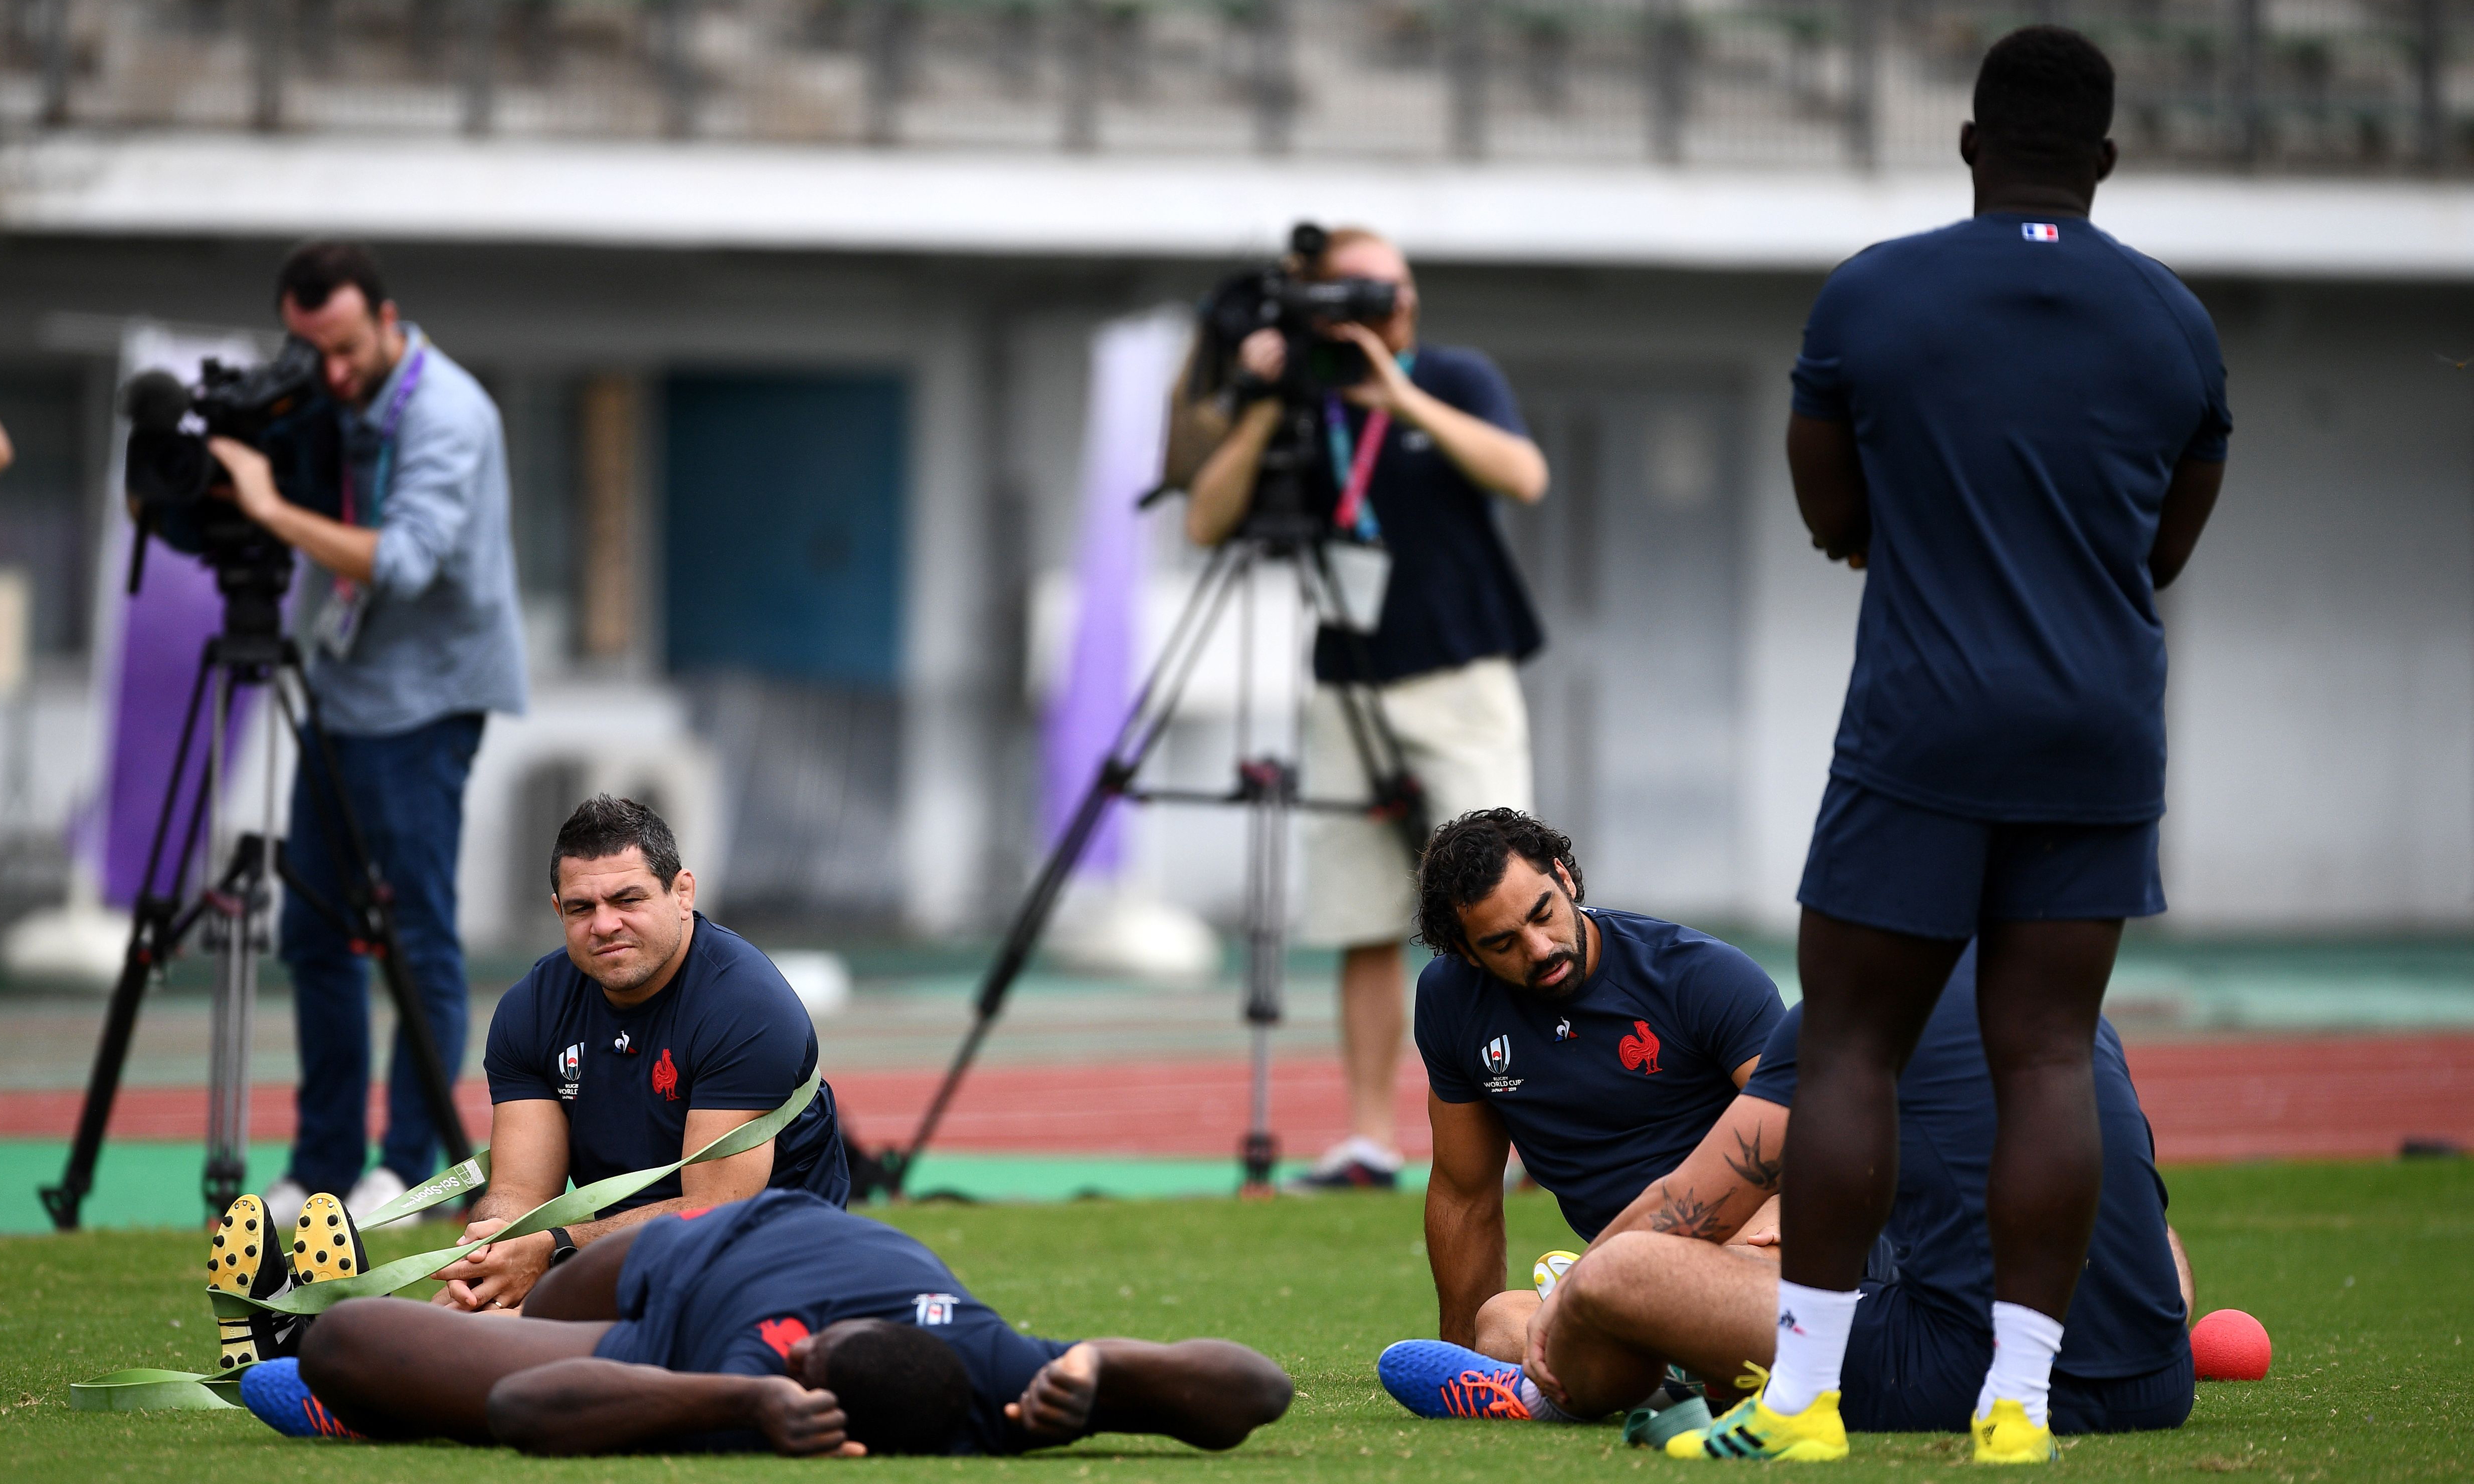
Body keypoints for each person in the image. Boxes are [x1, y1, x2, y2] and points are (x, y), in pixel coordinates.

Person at [1755, 26, 2230, 1464]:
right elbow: (2163, 543)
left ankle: (1799, 1407)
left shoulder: (1874, 292)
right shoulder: (2172, 322)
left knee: (1849, 1049)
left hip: (1922, 715)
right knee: (2043, 1056)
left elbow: (1827, 508)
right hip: (2095, 725)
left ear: (1968, 146)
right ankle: (2016, 1406)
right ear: (2102, 159)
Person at [1376, 946, 2197, 1453]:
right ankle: (1662, 1365)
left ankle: (1537, 1391)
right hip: (2155, 1377)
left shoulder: (1851, 1016)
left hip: (1961, 1369)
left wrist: (1579, 1301)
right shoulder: (2072, 1013)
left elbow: (1681, 1212)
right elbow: (2146, 1219)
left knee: (1610, 1279)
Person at [1172, 226, 1551, 1191]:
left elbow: (1523, 476)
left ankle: (1536, 1126)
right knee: (1362, 917)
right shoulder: (1297, 402)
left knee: (1504, 898)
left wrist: (1398, 395)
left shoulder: (1454, 376)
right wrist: (1260, 403)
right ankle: (1369, 1139)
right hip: (1343, 677)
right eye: (1353, 294)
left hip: (1459, 673)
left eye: (1390, 290)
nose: (1383, 308)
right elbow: (1203, 516)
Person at [216, 241, 528, 1230]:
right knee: (314, 931)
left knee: (414, 936)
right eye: (314, 353)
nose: (335, 373)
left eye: (347, 349)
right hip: (345, 692)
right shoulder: (331, 401)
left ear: (387, 318)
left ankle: (405, 1170)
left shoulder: (447, 411)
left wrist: (269, 504)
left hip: (426, 704)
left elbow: (403, 561)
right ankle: (321, 1166)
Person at [240, 1188, 1294, 1457]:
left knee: (346, 1347)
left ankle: (338, 1383)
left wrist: (737, 1390)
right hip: (700, 1239)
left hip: (662, 1342)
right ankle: (429, 1342)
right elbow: (1261, 1391)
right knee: (501, 1302)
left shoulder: (747, 1390)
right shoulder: (1007, 1375)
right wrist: (1109, 1365)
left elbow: (526, 1405)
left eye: (799, 1358)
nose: (794, 1344)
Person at [427, 795, 850, 1313]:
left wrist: (554, 1247)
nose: (604, 925)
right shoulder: (532, 1008)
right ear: (559, 910)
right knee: (451, 1316)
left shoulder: (746, 1006)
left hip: (759, 1263)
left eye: (627, 899)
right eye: (582, 907)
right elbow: (520, 1187)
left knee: (491, 1338)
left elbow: (713, 1209)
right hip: (598, 1249)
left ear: (682, 893)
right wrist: (495, 1241)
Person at [1410, 809, 1784, 1365]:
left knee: (1753, 1252)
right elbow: (1464, 1195)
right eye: (1502, 942)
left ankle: (1646, 1353)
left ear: (1564, 879)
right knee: (1500, 1328)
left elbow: (1812, 1123)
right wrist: (1460, 1360)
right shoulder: (1450, 1002)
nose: (1538, 948)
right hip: (1619, 1277)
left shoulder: (1700, 974)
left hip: (1747, 1246)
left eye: (1543, 914)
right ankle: (1678, 1364)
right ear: (1468, 954)